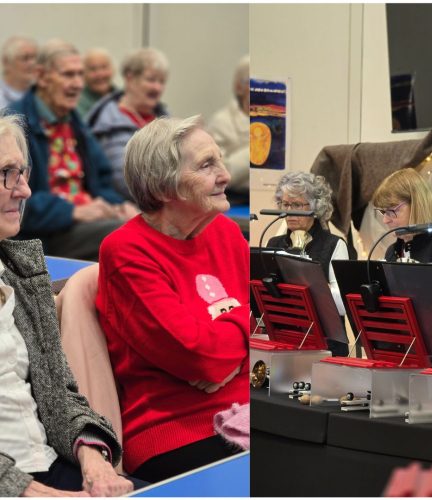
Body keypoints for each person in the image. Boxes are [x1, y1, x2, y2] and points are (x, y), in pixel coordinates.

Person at [95, 115, 249, 483]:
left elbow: (268, 320)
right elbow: (198, 355)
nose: (225, 175)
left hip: (248, 406)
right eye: (206, 165)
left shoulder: (225, 232)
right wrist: (239, 340)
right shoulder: (125, 252)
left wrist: (229, 345)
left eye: (220, 160)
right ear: (163, 188)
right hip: (174, 431)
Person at [0, 114, 137, 497]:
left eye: (23, 172)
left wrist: (93, 459)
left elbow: (60, 393)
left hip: (49, 465)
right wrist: (37, 494)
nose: (24, 190)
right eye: (6, 174)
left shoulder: (20, 273)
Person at [7, 39, 137, 261]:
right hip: (45, 234)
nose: (78, 84)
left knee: (145, 222)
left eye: (80, 75)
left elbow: (102, 183)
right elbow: (13, 196)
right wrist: (72, 212)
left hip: (89, 222)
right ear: (41, 76)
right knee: (127, 236)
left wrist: (120, 206)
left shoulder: (76, 123)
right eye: (68, 75)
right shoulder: (15, 125)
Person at [87, 47, 168, 200]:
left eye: (162, 81)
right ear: (130, 79)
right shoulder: (109, 122)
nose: (157, 88)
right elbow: (125, 180)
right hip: (128, 205)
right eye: (151, 80)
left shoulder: (165, 117)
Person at [267, 171, 349, 309]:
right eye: (285, 204)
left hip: (321, 327)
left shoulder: (335, 245)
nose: (289, 211)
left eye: (297, 205)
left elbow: (342, 304)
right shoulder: (274, 243)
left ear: (315, 207)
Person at [208, 54, 249, 203]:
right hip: (233, 201)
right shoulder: (222, 122)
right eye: (254, 83)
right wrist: (258, 148)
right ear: (239, 88)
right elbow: (220, 173)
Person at [76, 48, 115, 119]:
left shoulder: (123, 97)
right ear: (83, 73)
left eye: (104, 67)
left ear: (113, 70)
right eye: (93, 69)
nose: (100, 74)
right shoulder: (77, 101)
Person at [0, 37, 37, 110]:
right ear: (6, 62)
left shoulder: (38, 94)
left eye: (34, 58)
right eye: (25, 58)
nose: (32, 63)